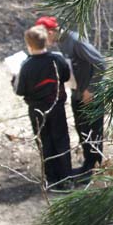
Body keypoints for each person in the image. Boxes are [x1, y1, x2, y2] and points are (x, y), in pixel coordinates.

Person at [35, 16, 106, 183]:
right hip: (77, 93)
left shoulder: (76, 41)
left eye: (44, 37)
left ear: (50, 32)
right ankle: (88, 165)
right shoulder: (60, 42)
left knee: (93, 131)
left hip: (91, 95)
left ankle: (94, 168)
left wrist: (91, 89)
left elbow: (100, 63)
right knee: (82, 129)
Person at [13, 25, 72, 189]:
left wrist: (13, 79)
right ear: (46, 41)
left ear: (28, 45)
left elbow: (20, 90)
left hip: (37, 109)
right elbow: (66, 76)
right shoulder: (57, 59)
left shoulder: (26, 65)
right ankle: (66, 176)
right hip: (57, 106)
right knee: (61, 139)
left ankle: (51, 177)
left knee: (44, 141)